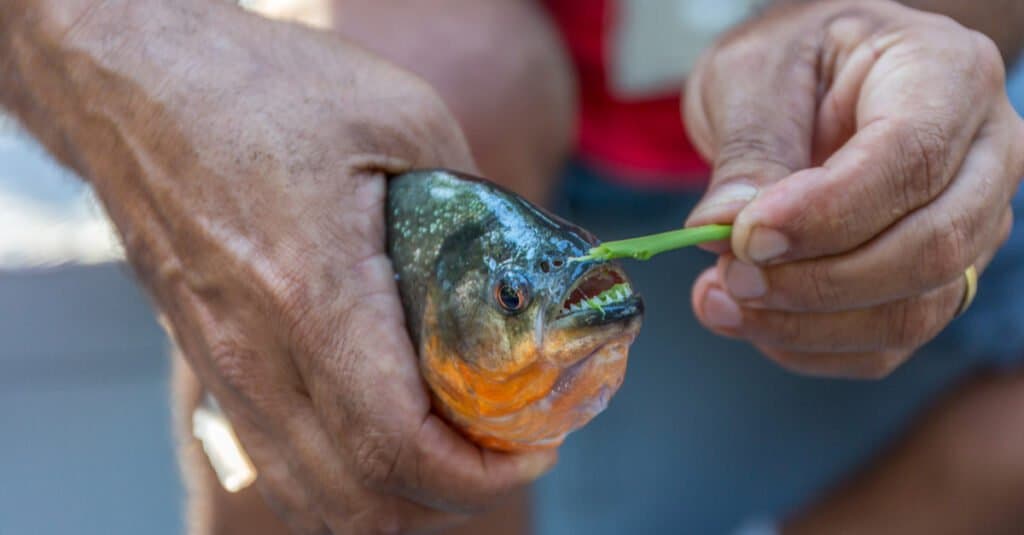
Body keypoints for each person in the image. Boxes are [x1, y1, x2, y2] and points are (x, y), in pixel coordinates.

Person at [2, 0, 1023, 534]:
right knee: (453, 76)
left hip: (779, 99)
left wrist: (890, 23)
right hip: (439, 67)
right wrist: (94, 38)